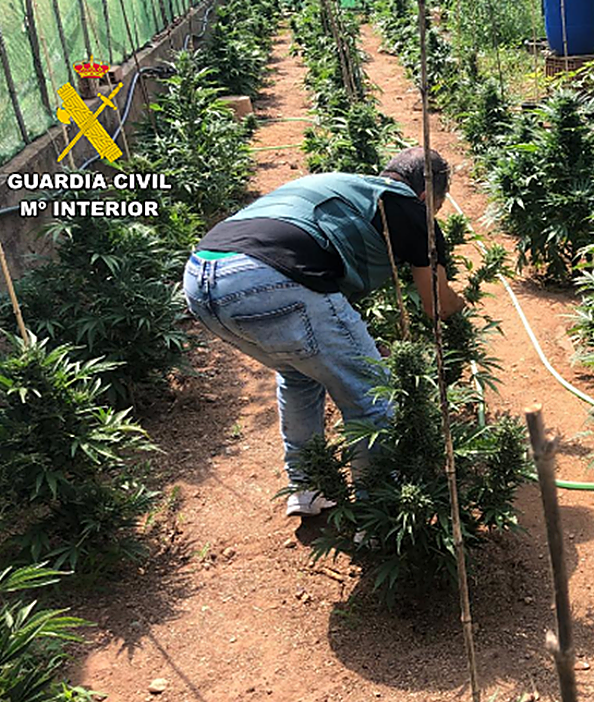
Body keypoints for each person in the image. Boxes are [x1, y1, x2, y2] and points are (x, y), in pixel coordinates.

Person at [182, 148, 465, 516]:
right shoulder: (410, 209)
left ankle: (306, 488)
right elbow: (437, 305)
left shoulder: (349, 188)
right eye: (437, 208)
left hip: (201, 278)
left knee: (299, 373)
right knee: (370, 393)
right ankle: (376, 517)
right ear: (426, 196)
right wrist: (462, 306)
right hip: (267, 277)